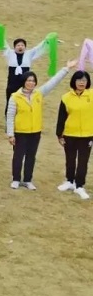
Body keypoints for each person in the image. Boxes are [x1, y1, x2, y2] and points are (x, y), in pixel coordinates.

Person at [6, 61, 74, 190]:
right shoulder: (15, 97)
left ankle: (27, 180)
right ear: (24, 82)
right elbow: (10, 116)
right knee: (18, 157)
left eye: (33, 81)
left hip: (35, 132)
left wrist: (66, 69)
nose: (31, 83)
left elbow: (53, 82)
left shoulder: (39, 94)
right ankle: (16, 179)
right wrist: (10, 134)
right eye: (28, 80)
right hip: (20, 132)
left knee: (31, 157)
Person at [55, 70, 93, 200]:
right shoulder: (66, 97)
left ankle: (79, 185)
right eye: (79, 80)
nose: (82, 82)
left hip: (87, 135)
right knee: (70, 159)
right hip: (70, 134)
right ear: (74, 82)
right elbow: (61, 117)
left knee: (83, 161)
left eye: (84, 80)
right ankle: (69, 181)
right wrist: (59, 135)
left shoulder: (92, 95)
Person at [3, 37, 48, 115]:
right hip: (12, 83)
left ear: (25, 47)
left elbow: (38, 48)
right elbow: (3, 44)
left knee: (24, 101)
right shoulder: (10, 53)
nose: (20, 47)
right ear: (14, 47)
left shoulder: (29, 54)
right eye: (18, 45)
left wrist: (49, 41)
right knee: (10, 101)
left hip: (24, 85)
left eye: (22, 45)